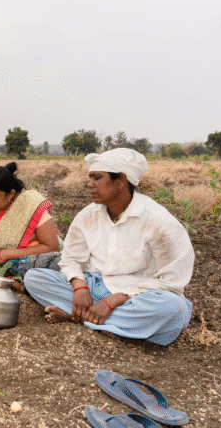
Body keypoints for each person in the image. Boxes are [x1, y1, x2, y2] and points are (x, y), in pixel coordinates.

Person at [23, 148, 194, 346]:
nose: (90, 184)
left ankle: (77, 317)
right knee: (34, 278)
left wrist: (112, 302)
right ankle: (111, 324)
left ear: (121, 180)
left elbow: (171, 281)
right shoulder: (87, 216)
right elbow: (70, 259)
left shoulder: (160, 222)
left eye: (97, 178)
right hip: (93, 287)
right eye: (90, 178)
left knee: (174, 309)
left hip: (136, 295)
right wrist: (80, 287)